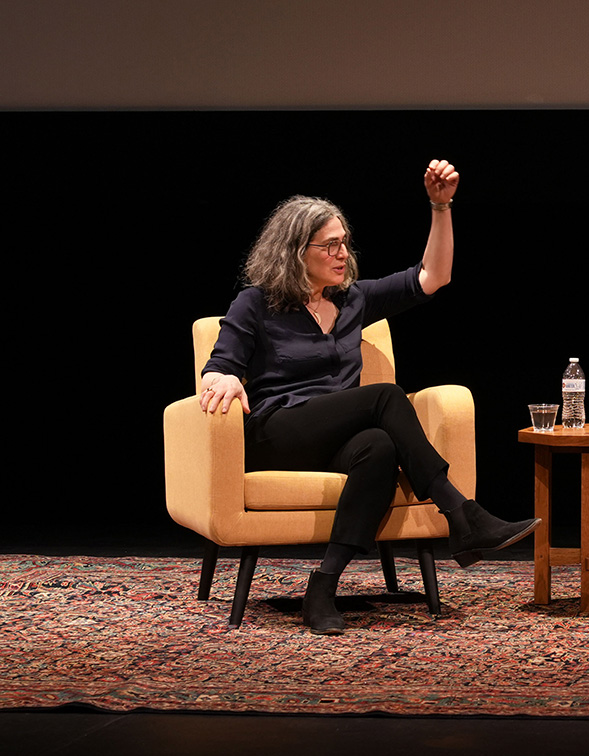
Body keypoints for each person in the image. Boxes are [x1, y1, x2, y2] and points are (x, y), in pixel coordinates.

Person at [200, 160, 538, 635]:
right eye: (330, 245)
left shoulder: (351, 299)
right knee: (384, 397)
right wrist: (224, 378)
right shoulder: (256, 302)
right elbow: (219, 364)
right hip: (277, 431)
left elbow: (432, 277)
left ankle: (323, 587)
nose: (342, 253)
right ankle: (461, 512)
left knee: (378, 448)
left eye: (344, 243)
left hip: (335, 437)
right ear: (297, 252)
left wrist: (441, 206)